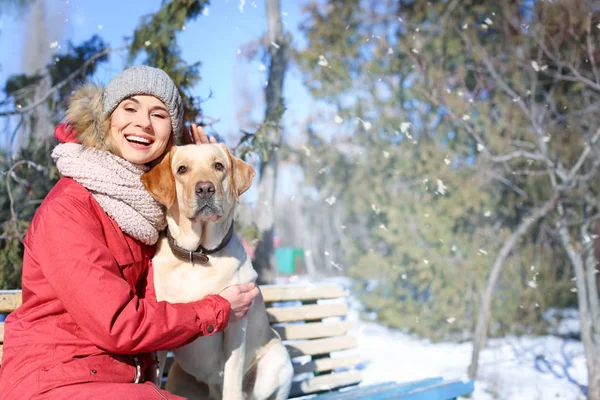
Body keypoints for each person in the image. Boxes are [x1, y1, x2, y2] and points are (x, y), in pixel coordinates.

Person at [0, 65, 259, 399]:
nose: (143, 123)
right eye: (130, 108)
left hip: (123, 384)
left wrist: (207, 175)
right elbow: (119, 325)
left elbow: (200, 245)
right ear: (107, 120)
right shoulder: (69, 210)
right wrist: (218, 309)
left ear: (171, 133)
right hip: (57, 384)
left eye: (159, 114)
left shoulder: (148, 213)